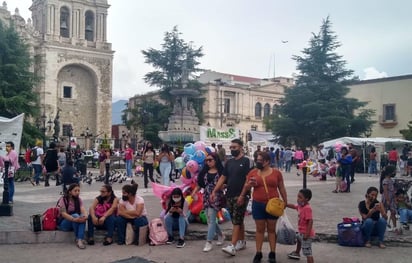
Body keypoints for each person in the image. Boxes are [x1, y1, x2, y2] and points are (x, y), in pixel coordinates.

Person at [238, 152, 288, 263]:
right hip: (258, 204)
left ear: (267, 161)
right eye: (257, 160)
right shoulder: (253, 173)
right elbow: (245, 186)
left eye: (260, 160)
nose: (258, 162)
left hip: (273, 205)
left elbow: (281, 187)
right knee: (259, 229)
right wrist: (244, 191)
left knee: (271, 229)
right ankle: (258, 252)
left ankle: (272, 253)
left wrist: (285, 201)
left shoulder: (276, 173)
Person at [211, 138, 253, 256]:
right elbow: (223, 177)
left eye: (234, 147)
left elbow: (248, 179)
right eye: (231, 147)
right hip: (229, 194)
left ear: (241, 147)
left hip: (241, 195)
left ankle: (232, 245)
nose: (232, 149)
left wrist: (243, 194)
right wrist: (215, 190)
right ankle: (241, 241)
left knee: (236, 221)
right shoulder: (229, 162)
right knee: (238, 220)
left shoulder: (247, 161)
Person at [191, 152, 225, 252]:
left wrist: (222, 187)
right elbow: (200, 184)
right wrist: (193, 193)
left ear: (216, 160)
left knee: (211, 219)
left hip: (216, 196)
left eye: (210, 160)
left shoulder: (221, 172)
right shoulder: (204, 172)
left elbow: (226, 183)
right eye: (206, 160)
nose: (208, 162)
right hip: (206, 196)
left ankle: (209, 242)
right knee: (210, 219)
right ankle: (220, 235)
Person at [287, 189, 315, 263]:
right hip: (301, 232)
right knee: (299, 240)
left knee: (307, 252)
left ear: (306, 199)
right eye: (298, 196)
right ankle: (297, 252)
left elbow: (310, 221)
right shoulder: (300, 206)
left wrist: (307, 234)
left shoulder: (307, 208)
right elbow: (293, 206)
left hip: (306, 234)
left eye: (300, 197)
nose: (298, 199)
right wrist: (285, 204)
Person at [57, 183, 88, 249]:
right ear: (70, 192)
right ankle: (79, 239)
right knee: (76, 215)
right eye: (75, 191)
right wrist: (74, 219)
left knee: (82, 217)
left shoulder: (78, 200)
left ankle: (79, 239)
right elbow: (63, 214)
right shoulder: (63, 200)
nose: (77, 192)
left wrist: (85, 216)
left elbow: (82, 209)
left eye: (78, 191)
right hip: (64, 224)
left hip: (74, 222)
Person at [380, 165, 399, 233]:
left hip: (392, 199)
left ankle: (394, 226)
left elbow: (392, 190)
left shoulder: (391, 180)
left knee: (393, 212)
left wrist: (395, 198)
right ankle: (384, 226)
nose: (395, 172)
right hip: (386, 198)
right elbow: (385, 191)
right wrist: (387, 200)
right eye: (394, 171)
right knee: (384, 213)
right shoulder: (385, 181)